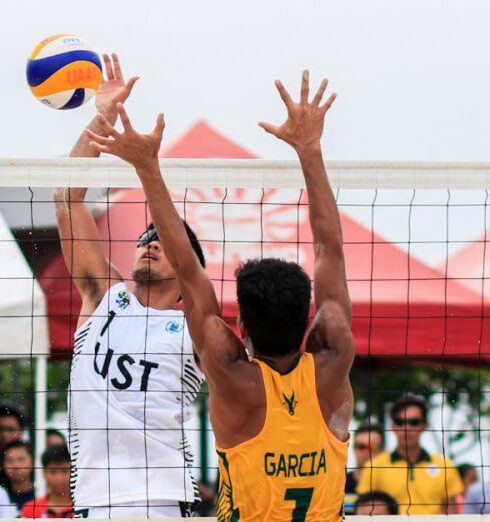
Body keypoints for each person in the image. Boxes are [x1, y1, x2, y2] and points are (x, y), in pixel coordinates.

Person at [87, 70, 354, 521]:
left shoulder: (236, 382)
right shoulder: (334, 363)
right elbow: (331, 248)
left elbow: (190, 274)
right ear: (310, 319)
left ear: (242, 329)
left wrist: (148, 169)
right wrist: (310, 149)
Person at [54, 54, 204, 518]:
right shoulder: (105, 296)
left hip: (161, 500)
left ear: (187, 267)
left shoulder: (197, 326)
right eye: (144, 238)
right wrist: (103, 116)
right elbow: (65, 196)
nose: (149, 244)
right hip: (95, 502)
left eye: (162, 241)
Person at [357, 394, 464, 514]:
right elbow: (365, 512)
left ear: (425, 425)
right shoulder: (373, 467)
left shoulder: (445, 466)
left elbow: (451, 514)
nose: (406, 428)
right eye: (400, 422)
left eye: (414, 422)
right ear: (392, 426)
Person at [21, 444, 73, 518]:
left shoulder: (83, 507)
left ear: (73, 472)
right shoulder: (30, 508)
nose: (59, 478)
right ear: (44, 473)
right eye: (53, 471)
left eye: (64, 471)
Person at [344, 420, 383, 514]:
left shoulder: (388, 483)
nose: (366, 452)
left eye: (370, 447)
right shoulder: (341, 483)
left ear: (381, 450)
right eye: (361, 446)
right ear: (353, 448)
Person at [0, 440, 35, 511]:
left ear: (32, 462)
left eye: (21, 459)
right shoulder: (1, 495)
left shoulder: (43, 493)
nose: (16, 465)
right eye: (10, 460)